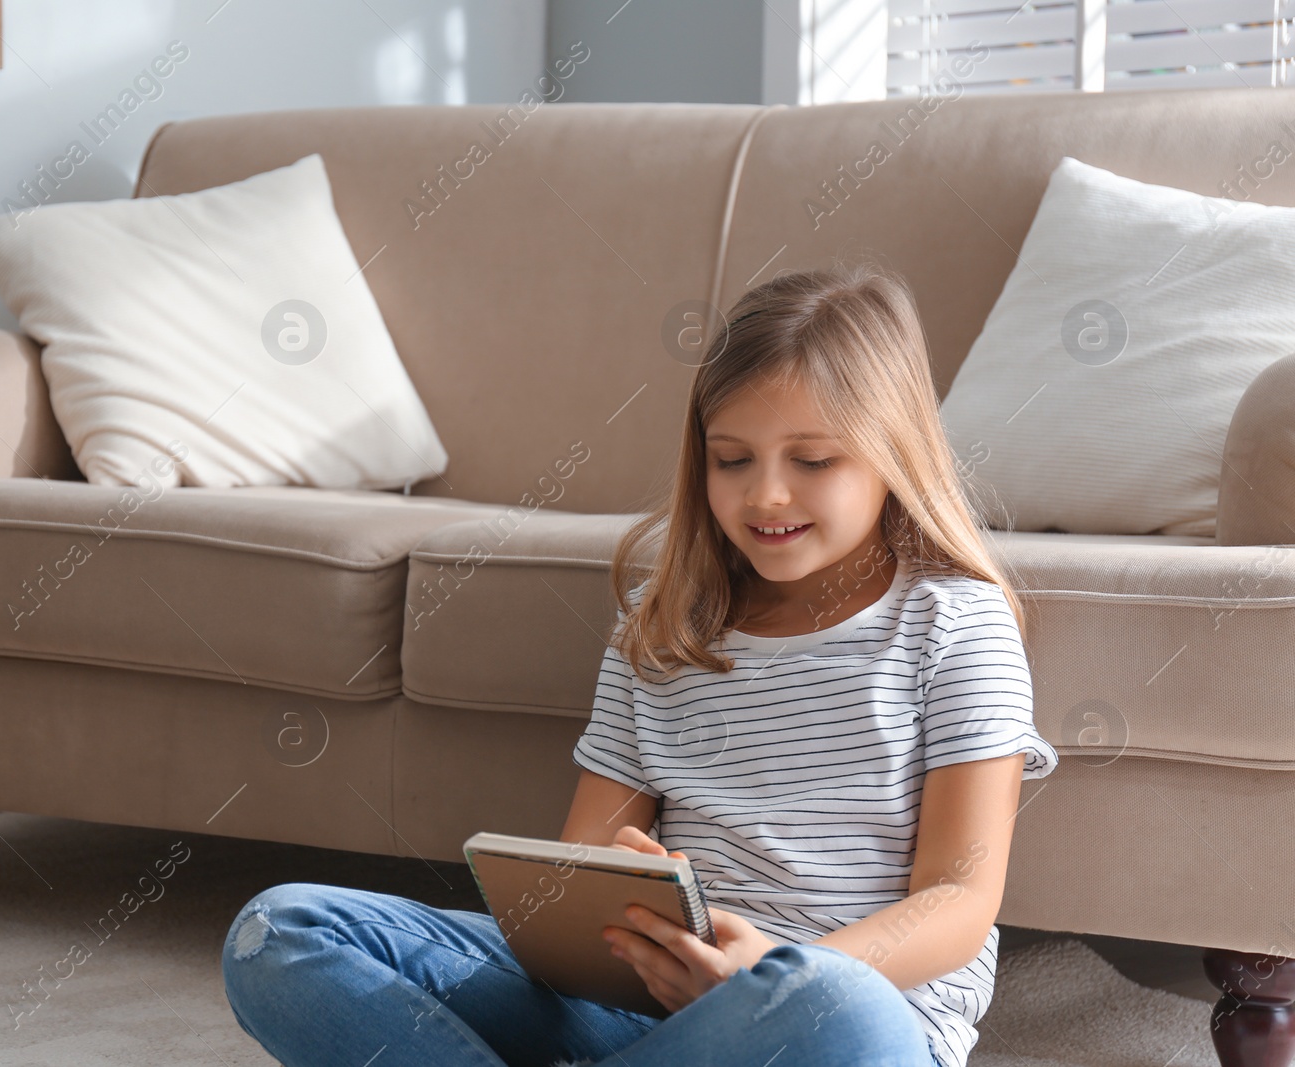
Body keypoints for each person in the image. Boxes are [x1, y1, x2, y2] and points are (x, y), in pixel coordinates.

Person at [221, 260, 1059, 1067]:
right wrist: (623, 895)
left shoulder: (954, 625)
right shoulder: (661, 626)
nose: (765, 494)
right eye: (733, 459)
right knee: (280, 931)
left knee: (835, 1006)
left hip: (836, 1024)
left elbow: (959, 898)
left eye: (813, 460)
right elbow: (581, 865)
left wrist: (766, 969)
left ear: (893, 455)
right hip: (642, 1011)